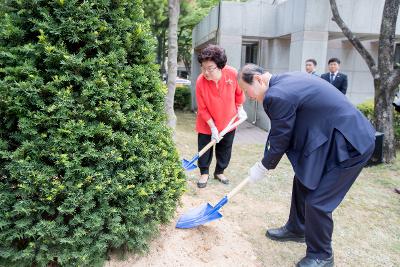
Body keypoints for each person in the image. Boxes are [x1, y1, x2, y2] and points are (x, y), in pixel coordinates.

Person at [237, 64, 375, 267]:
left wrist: (263, 166)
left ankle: (322, 255)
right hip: (333, 137)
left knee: (318, 201)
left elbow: (280, 138)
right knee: (303, 178)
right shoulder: (285, 80)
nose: (249, 96)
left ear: (258, 80)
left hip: (351, 143)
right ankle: (297, 228)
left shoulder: (276, 95)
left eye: (246, 90)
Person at [195, 44, 247, 188]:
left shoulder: (232, 73)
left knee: (225, 147)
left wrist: (240, 108)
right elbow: (202, 108)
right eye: (203, 67)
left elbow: (239, 93)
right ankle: (204, 173)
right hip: (207, 123)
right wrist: (212, 128)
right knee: (205, 148)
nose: (206, 72)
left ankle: (219, 171)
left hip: (229, 120)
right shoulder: (200, 81)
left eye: (210, 68)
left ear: (220, 66)